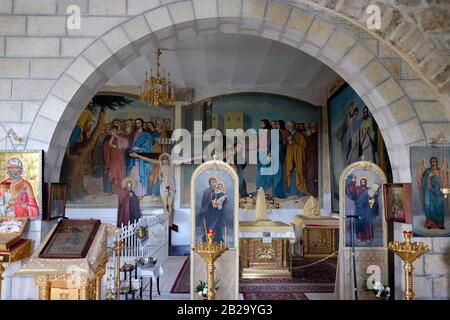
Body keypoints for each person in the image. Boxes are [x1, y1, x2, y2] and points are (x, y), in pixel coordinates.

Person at [345, 174, 380, 244]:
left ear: (366, 183)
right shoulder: (357, 189)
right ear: (360, 183)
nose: (363, 183)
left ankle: (368, 238)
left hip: (366, 209)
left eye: (364, 182)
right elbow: (352, 193)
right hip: (359, 209)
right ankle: (360, 237)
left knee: (367, 223)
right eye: (362, 182)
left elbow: (371, 198)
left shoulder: (368, 190)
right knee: (359, 223)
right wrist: (352, 182)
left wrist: (375, 195)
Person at [126, 118, 154, 197]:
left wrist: (138, 149)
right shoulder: (132, 134)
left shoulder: (146, 135)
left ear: (141, 124)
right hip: (133, 158)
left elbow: (147, 147)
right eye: (136, 123)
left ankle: (140, 193)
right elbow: (127, 143)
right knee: (132, 174)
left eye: (138, 123)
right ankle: (132, 192)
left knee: (140, 175)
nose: (137, 125)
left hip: (141, 159)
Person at [417, 157, 447, 229]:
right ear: (430, 162)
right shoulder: (427, 171)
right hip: (430, 192)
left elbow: (444, 181)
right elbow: (423, 181)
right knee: (430, 208)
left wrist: (443, 191)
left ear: (437, 162)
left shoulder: (440, 171)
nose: (434, 162)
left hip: (438, 192)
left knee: (439, 207)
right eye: (432, 161)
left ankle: (440, 224)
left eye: (435, 161)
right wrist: (428, 176)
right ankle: (430, 223)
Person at [198, 177, 226, 242]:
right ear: (210, 183)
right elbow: (203, 202)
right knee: (209, 226)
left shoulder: (218, 190)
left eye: (215, 182)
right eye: (212, 182)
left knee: (217, 225)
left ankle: (218, 238)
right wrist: (205, 208)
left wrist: (219, 202)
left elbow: (223, 199)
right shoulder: (206, 191)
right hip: (208, 212)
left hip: (217, 212)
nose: (214, 183)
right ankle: (207, 238)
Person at [104, 124, 128, 195]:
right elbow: (110, 144)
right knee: (113, 171)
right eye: (114, 129)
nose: (116, 129)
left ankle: (121, 189)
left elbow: (125, 144)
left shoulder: (123, 135)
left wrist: (117, 145)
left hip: (120, 155)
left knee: (120, 171)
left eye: (118, 127)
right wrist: (113, 136)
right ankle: (114, 190)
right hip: (114, 155)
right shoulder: (113, 136)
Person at [285, 120, 307, 195]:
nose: (289, 127)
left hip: (298, 160)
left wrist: (294, 144)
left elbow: (304, 148)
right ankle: (293, 193)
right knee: (292, 176)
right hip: (291, 160)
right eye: (288, 126)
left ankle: (300, 193)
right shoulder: (289, 135)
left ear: (294, 126)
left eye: (291, 126)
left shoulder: (300, 135)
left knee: (299, 175)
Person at [256, 119, 273, 194]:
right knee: (261, 170)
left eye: (262, 124)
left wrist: (269, 153)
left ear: (266, 124)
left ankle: (262, 189)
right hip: (261, 152)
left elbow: (269, 143)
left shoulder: (269, 132)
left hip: (266, 152)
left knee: (263, 171)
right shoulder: (262, 132)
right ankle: (261, 189)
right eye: (260, 124)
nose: (261, 125)